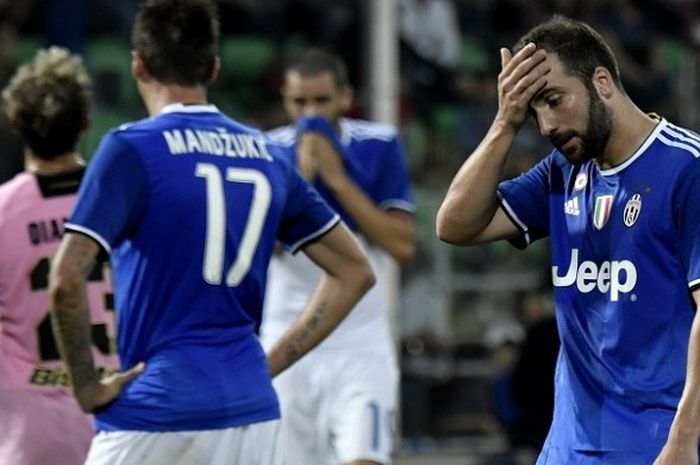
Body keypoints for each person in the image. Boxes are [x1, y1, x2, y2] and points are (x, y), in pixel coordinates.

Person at [48, 1, 375, 465]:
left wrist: (86, 388)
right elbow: (355, 271)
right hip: (250, 413)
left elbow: (65, 279)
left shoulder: (130, 148)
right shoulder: (267, 155)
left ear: (138, 64)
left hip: (156, 411)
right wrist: (269, 364)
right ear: (215, 68)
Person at [436, 15, 700, 465]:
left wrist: (683, 441)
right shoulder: (563, 171)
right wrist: (504, 122)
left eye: (554, 100)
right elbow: (455, 225)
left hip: (655, 443)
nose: (546, 126)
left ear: (602, 82)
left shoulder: (686, 169)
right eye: (534, 109)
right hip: (567, 447)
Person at [260, 49, 416, 465]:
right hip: (285, 335)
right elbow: (259, 250)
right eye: (299, 102)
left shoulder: (379, 144)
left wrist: (336, 177)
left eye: (321, 101)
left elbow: (401, 245)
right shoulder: (265, 151)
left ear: (345, 97)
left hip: (360, 343)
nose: (309, 113)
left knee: (366, 457)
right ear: (285, 100)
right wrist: (303, 180)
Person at [0, 47, 119, 465]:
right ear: (86, 123)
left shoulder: (2, 211)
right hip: (120, 421)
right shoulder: (126, 202)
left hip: (30, 433)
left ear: (15, 125)